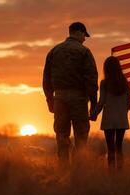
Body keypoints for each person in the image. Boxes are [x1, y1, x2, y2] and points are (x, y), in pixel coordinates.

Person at [43, 22, 98, 166]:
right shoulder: (84, 52)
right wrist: (94, 104)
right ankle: (79, 170)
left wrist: (50, 101)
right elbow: (91, 80)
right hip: (79, 99)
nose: (84, 39)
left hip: (59, 99)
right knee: (81, 135)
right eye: (84, 35)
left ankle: (63, 169)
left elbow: (46, 80)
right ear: (79, 32)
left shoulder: (54, 51)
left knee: (61, 135)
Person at [90, 56, 130, 170]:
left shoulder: (104, 83)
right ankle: (120, 172)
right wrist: (123, 113)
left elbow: (101, 102)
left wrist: (93, 114)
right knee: (119, 147)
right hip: (121, 120)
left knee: (110, 148)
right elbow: (129, 102)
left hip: (108, 120)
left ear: (106, 69)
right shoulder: (125, 83)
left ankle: (112, 174)